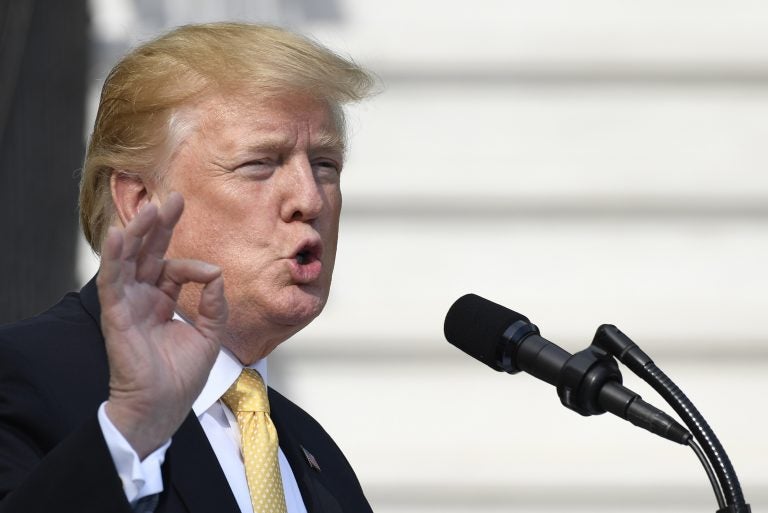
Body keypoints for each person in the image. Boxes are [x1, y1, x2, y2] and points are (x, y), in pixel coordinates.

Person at [0, 22, 375, 513]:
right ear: (140, 202)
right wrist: (133, 429)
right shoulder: (21, 379)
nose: (309, 199)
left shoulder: (312, 451)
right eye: (260, 163)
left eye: (325, 164)